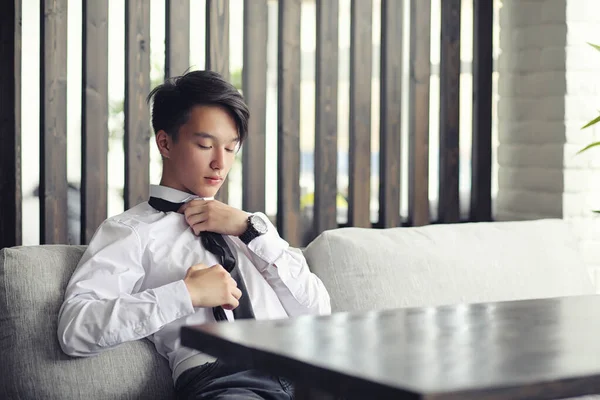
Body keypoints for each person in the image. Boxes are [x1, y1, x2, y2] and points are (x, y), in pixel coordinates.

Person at [57, 70, 332, 399]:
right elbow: (75, 330)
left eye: (231, 149)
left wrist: (250, 230)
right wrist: (186, 294)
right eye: (205, 145)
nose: (220, 163)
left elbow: (319, 313)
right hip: (227, 381)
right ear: (165, 143)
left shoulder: (251, 226)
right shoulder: (131, 232)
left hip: (306, 371)